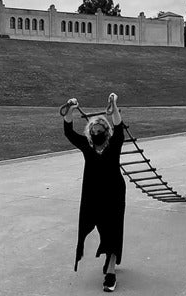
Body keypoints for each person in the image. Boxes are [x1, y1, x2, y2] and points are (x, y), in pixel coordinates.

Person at [63, 93, 126, 292]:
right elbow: (68, 131)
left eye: (100, 127)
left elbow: (119, 126)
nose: (97, 129)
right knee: (101, 227)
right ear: (90, 131)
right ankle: (110, 256)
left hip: (114, 193)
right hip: (93, 195)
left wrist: (114, 105)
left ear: (106, 131)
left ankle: (111, 272)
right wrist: (71, 109)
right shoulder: (87, 146)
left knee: (114, 228)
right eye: (94, 127)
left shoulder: (114, 145)